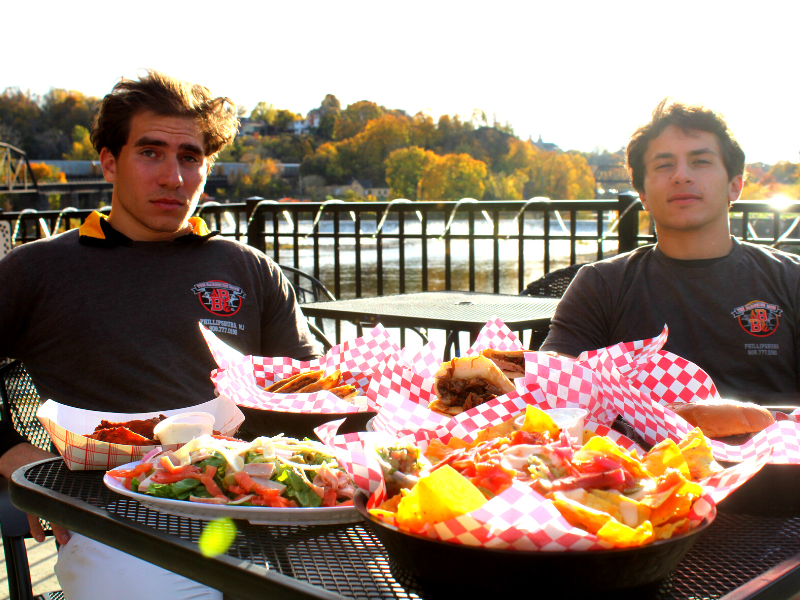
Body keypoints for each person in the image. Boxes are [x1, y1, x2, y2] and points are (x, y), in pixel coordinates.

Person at [0, 70, 321, 599]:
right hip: (113, 515)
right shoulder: (39, 270)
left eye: (189, 157)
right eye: (150, 152)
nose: (173, 177)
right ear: (109, 161)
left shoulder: (249, 268)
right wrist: (14, 455)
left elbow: (315, 395)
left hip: (267, 505)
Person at [541, 99, 800, 405]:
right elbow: (550, 392)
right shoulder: (601, 284)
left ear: (734, 186)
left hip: (780, 450)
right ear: (643, 196)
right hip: (634, 452)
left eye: (700, 161)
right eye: (664, 165)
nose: (681, 176)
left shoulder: (791, 278)